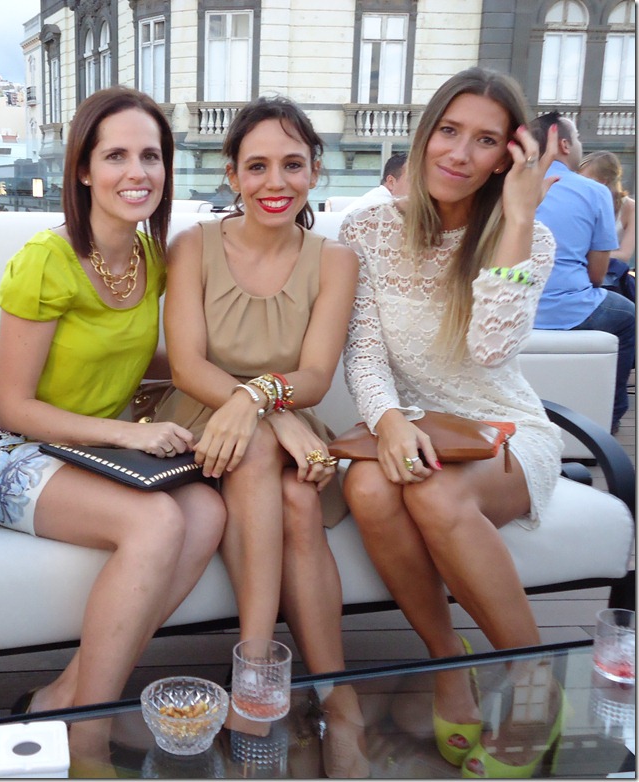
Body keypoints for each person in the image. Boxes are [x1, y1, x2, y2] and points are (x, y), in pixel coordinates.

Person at [0, 87, 226, 721]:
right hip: (4, 447)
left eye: (151, 156)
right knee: (156, 523)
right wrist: (130, 433)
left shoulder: (151, 258)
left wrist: (239, 382)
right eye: (116, 156)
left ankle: (64, 696)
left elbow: (137, 357)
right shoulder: (45, 261)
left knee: (206, 512)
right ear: (83, 169)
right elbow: (15, 407)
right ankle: (89, 729)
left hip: (88, 449)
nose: (138, 172)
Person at [339, 67, 565, 777]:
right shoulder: (366, 229)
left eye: (485, 141)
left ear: (508, 157)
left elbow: (492, 351)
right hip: (415, 425)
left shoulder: (531, 238)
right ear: (425, 133)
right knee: (367, 487)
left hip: (506, 432)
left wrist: (518, 220)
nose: (460, 154)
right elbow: (363, 353)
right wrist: (387, 423)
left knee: (434, 493)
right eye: (449, 131)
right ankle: (447, 662)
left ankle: (535, 686)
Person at [154, 95, 367, 777]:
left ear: (315, 172)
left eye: (293, 165)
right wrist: (263, 410)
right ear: (232, 174)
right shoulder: (193, 245)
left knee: (300, 498)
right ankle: (260, 674)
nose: (276, 182)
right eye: (257, 166)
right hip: (202, 421)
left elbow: (316, 376)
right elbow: (187, 366)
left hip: (285, 420)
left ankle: (331, 697)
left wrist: (262, 401)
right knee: (254, 449)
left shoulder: (335, 260)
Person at [530, 112, 635, 434]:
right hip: (568, 308)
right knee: (628, 315)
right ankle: (609, 419)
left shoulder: (506, 185)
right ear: (564, 144)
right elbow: (596, 276)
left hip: (510, 306)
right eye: (576, 138)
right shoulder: (594, 191)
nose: (579, 144)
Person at [579, 150, 636, 300]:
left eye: (585, 179)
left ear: (603, 182)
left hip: (611, 276)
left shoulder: (630, 208)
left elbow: (624, 255)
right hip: (580, 272)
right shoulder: (580, 202)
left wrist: (590, 256)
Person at [340, 151, 409, 215]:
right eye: (412, 181)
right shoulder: (384, 209)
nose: (415, 187)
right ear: (391, 182)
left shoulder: (375, 199)